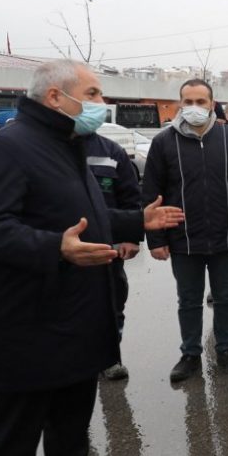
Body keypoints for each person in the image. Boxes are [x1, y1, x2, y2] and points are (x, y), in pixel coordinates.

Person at [0, 60, 183, 456]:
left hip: (79, 317)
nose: (102, 103)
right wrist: (54, 248)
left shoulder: (70, 146)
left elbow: (87, 218)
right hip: (27, 322)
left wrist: (134, 222)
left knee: (71, 421)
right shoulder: (4, 149)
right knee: (12, 441)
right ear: (57, 98)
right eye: (93, 92)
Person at [142, 79, 228, 383]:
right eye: (188, 101)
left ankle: (225, 349)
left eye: (201, 101)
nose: (194, 107)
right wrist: (156, 239)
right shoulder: (164, 142)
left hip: (226, 237)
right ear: (180, 103)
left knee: (226, 298)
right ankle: (190, 354)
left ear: (212, 103)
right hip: (183, 238)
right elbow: (152, 193)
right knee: (189, 300)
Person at [84, 129, 142, 381]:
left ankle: (110, 356)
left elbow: (130, 196)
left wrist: (131, 236)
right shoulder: (42, 148)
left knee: (112, 301)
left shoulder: (111, 150)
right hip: (58, 248)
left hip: (107, 247)